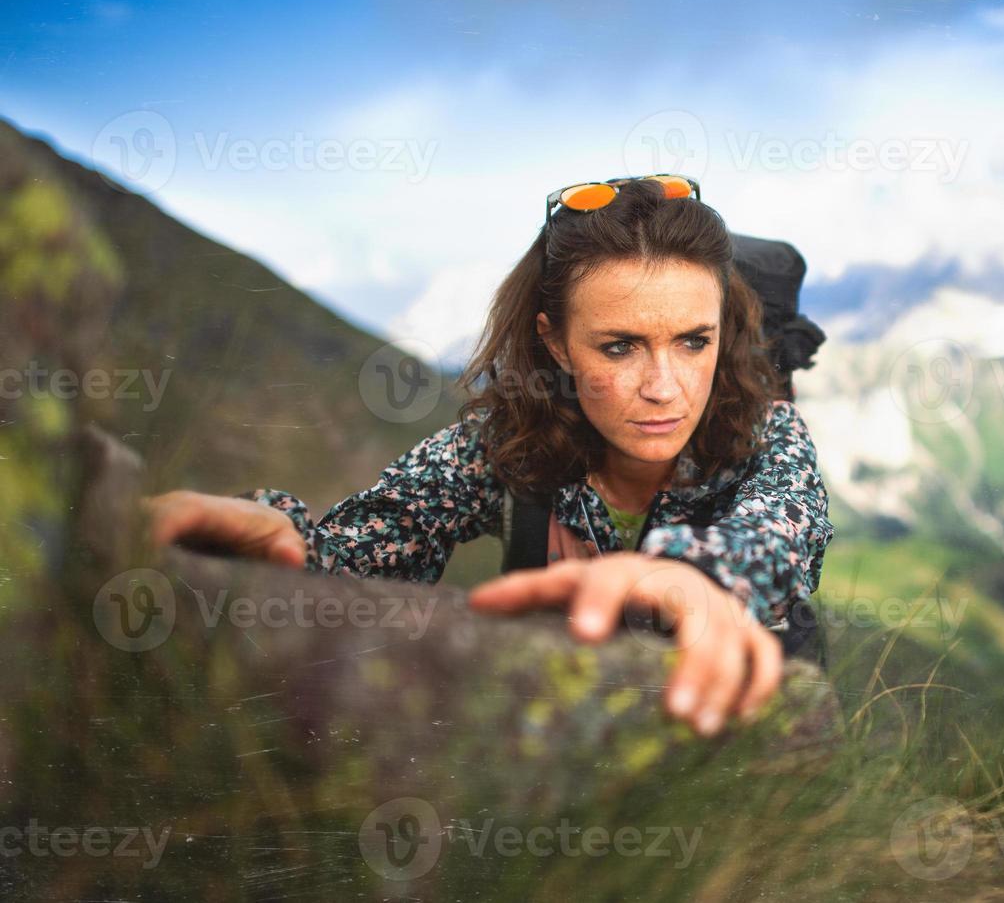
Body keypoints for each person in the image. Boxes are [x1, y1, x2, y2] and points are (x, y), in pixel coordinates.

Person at [145, 174, 836, 738]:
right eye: (619, 347)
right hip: (576, 741)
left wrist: (698, 580)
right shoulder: (505, 441)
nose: (664, 388)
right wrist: (281, 543)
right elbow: (379, 541)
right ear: (557, 342)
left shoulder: (768, 432)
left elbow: (780, 530)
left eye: (693, 341)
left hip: (756, 730)